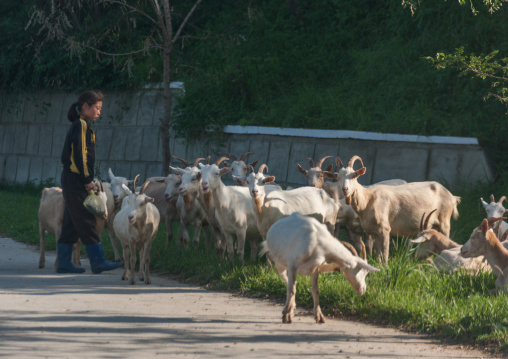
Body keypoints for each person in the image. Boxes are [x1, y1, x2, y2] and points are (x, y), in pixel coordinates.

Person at [57, 90, 122, 274]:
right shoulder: (81, 125)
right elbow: (81, 155)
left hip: (72, 178)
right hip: (76, 179)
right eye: (97, 108)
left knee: (71, 221)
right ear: (85, 107)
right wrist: (87, 180)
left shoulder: (83, 125)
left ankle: (63, 262)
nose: (99, 112)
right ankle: (98, 261)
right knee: (86, 220)